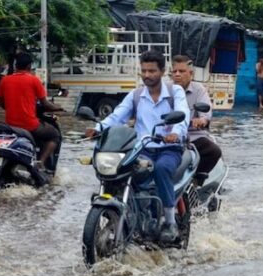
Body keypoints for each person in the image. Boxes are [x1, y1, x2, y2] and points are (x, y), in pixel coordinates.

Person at [84, 50, 190, 243]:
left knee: (161, 169)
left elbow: (183, 114)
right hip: (143, 148)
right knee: (123, 171)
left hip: (169, 148)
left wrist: (175, 132)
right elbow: (117, 116)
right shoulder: (136, 95)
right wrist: (97, 128)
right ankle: (129, 212)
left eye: (152, 71)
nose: (147, 75)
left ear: (162, 71)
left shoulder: (175, 92)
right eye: (144, 71)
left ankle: (169, 221)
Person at [0, 51, 64, 182]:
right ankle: (41, 162)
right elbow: (45, 104)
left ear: (16, 65)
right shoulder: (34, 80)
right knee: (54, 134)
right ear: (29, 66)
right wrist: (58, 108)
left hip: (11, 126)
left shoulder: (5, 80)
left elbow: (2, 104)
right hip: (30, 125)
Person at [170, 55, 222, 184]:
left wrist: (202, 120)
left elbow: (206, 112)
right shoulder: (165, 89)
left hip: (192, 135)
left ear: (191, 74)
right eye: (174, 71)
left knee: (214, 151)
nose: (177, 75)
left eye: (181, 71)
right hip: (169, 137)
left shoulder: (198, 89)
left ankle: (197, 180)